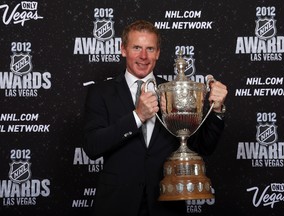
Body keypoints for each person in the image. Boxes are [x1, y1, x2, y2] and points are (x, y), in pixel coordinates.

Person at [83, 20, 228, 216]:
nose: (143, 56)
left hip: (166, 205)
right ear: (123, 49)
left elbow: (203, 146)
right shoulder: (101, 93)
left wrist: (217, 110)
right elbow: (92, 146)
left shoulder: (174, 91)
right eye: (136, 48)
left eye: (150, 49)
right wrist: (137, 116)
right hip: (117, 204)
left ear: (158, 53)